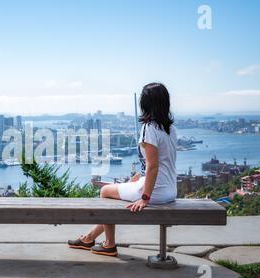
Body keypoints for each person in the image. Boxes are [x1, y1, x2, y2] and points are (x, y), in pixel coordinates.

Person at [68, 83, 178, 257]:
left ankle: (109, 244)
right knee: (120, 189)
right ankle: (88, 238)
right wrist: (136, 179)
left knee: (105, 191)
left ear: (145, 103)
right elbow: (160, 164)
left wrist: (144, 198)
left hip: (155, 192)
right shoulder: (170, 129)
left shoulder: (149, 128)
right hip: (170, 190)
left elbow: (153, 166)